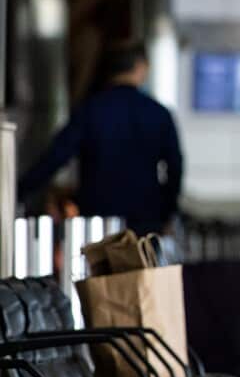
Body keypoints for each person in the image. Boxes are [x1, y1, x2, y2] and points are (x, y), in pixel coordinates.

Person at [18, 40, 184, 236]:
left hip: (98, 222)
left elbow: (55, 157)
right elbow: (175, 166)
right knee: (142, 258)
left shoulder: (90, 110)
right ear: (140, 67)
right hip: (145, 220)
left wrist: (19, 190)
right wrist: (167, 211)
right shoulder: (158, 114)